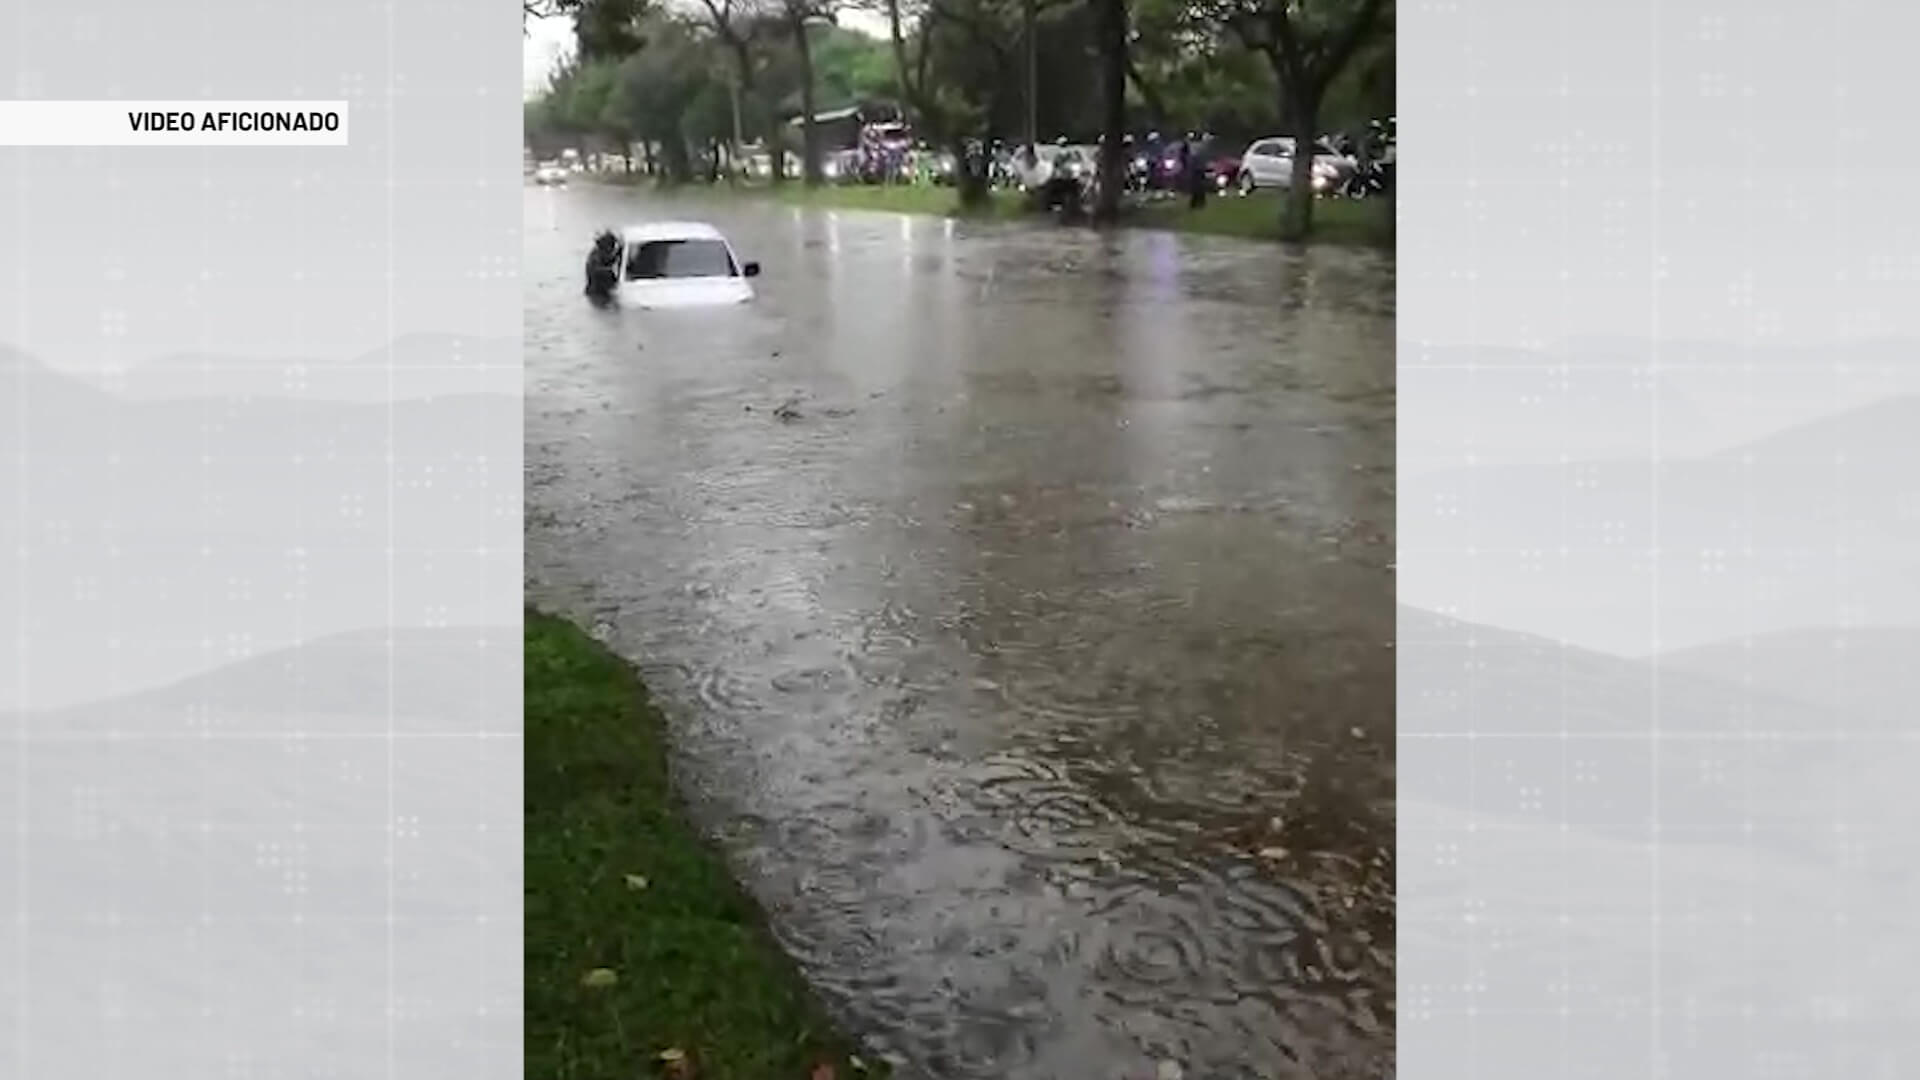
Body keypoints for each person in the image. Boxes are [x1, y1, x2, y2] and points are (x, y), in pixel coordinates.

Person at [584, 230, 620, 303]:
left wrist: (617, 254)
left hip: (601, 290)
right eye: (612, 245)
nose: (613, 248)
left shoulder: (600, 253)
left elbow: (608, 260)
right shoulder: (595, 256)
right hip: (597, 292)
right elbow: (597, 270)